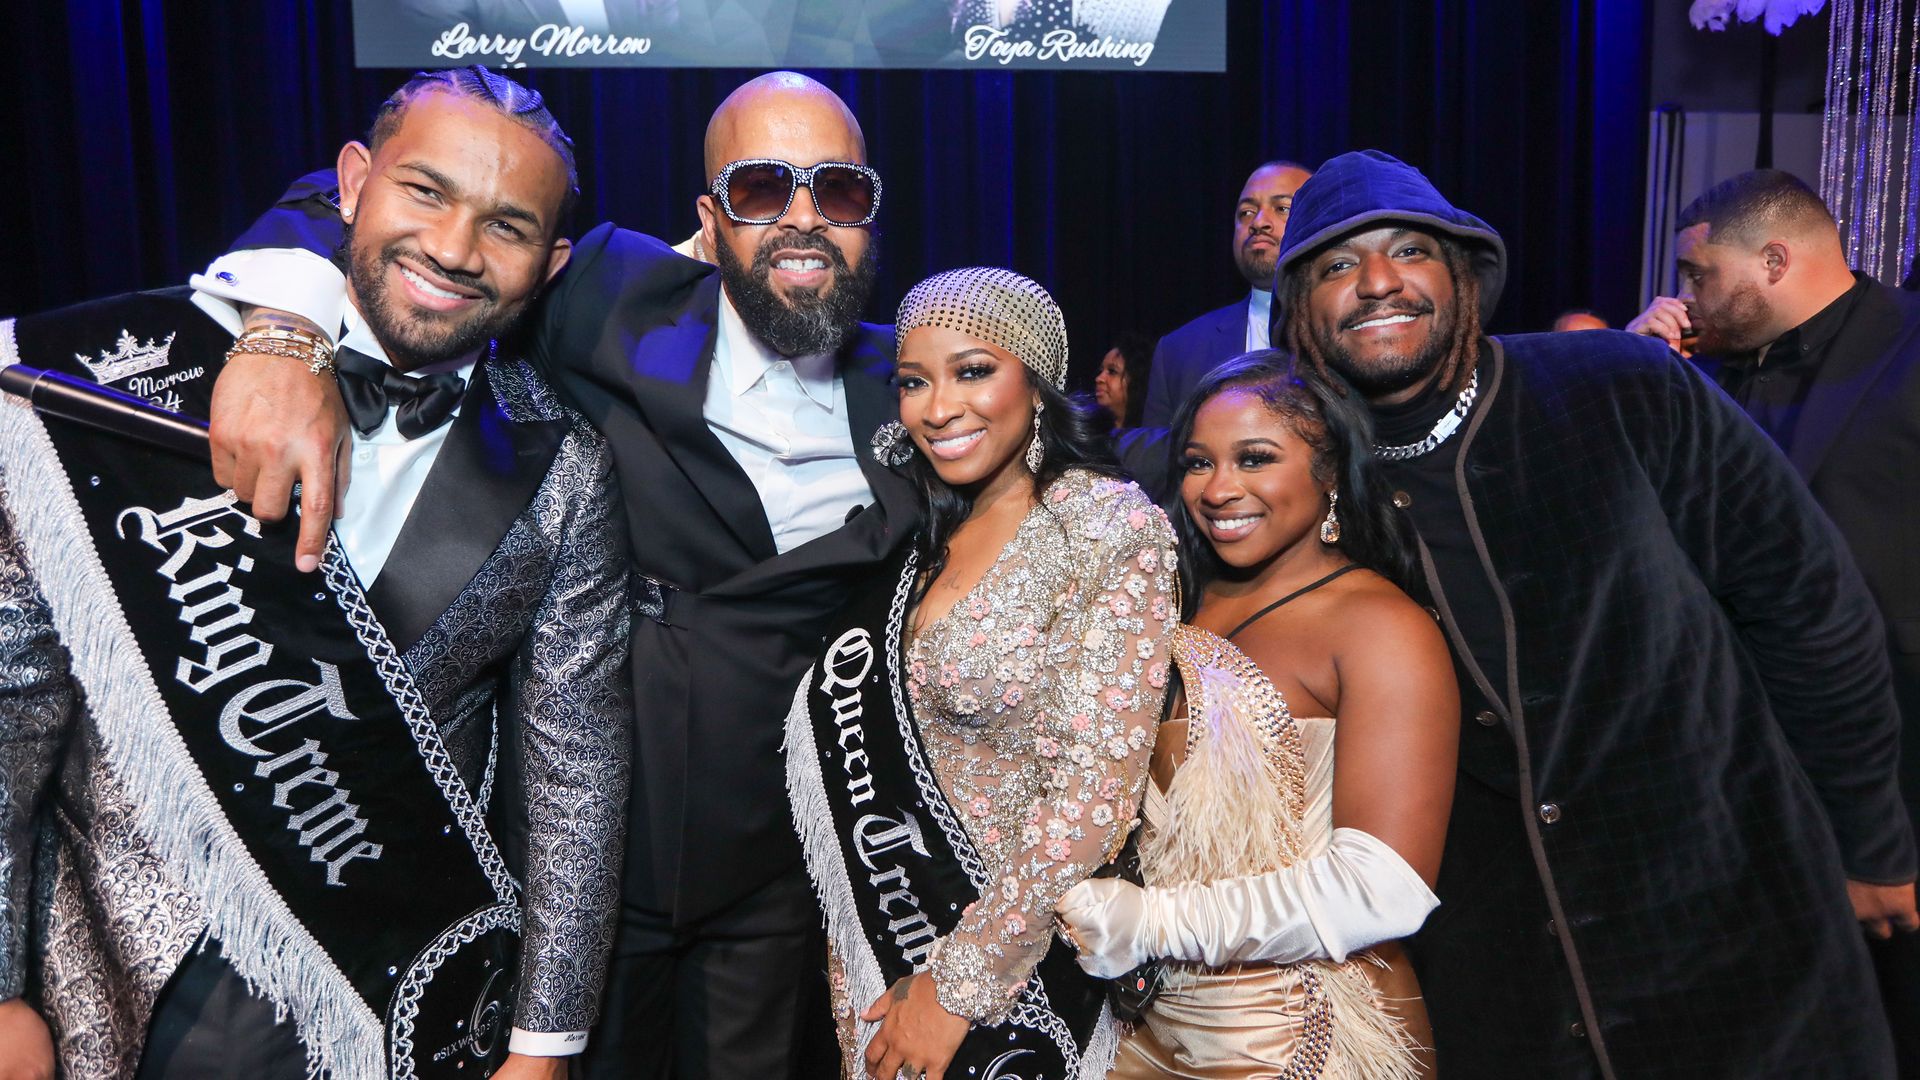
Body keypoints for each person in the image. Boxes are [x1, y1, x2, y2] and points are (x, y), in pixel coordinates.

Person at [196, 70, 915, 1078]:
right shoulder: (610, 292)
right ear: (709, 219)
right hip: (597, 842)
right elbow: (390, 206)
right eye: (761, 188)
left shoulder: (914, 387)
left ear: (871, 212)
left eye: (837, 190)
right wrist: (287, 328)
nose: (802, 218)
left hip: (777, 859)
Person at [0, 67, 629, 1080]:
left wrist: (543, 1042)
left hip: (390, 985)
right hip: (122, 980)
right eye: (425, 192)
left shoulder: (564, 469)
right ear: (353, 183)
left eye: (507, 227)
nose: (454, 249)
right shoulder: (131, 381)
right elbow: (10, 713)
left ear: (551, 264)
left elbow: (575, 777)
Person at [1269, 149, 1915, 1077]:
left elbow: (1809, 604)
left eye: (1410, 251)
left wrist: (1869, 839)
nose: (1378, 281)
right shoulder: (1304, 482)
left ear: (1462, 277)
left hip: (1737, 943)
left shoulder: (1619, 387)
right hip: (1499, 992)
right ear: (1299, 309)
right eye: (1337, 264)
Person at [782, 268, 1177, 1080]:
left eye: (972, 372)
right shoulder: (910, 528)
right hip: (886, 941)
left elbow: (1092, 800)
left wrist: (957, 986)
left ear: (1037, 381)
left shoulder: (1107, 528)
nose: (938, 409)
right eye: (913, 382)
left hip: (1014, 971)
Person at [1056, 352, 1458, 1079]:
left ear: (1329, 473)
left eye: (1255, 458)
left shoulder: (1379, 626)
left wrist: (1153, 923)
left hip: (1302, 1038)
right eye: (1198, 463)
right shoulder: (1173, 603)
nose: (1219, 488)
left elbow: (1384, 890)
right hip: (1143, 1033)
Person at [1628, 167, 1920, 1075]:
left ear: (1776, 261)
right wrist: (1628, 370)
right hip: (1743, 785)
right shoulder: (1695, 372)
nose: (1684, 296)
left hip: (1898, 772)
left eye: (1698, 273)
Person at [1141, 161, 1314, 428]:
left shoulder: (1354, 330)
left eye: (1282, 208)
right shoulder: (1178, 352)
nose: (1258, 222)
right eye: (1246, 212)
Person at [1093, 330, 1154, 432]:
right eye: (1101, 371)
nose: (1099, 378)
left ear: (1136, 381)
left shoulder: (1151, 437)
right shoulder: (1090, 434)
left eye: (1112, 371)